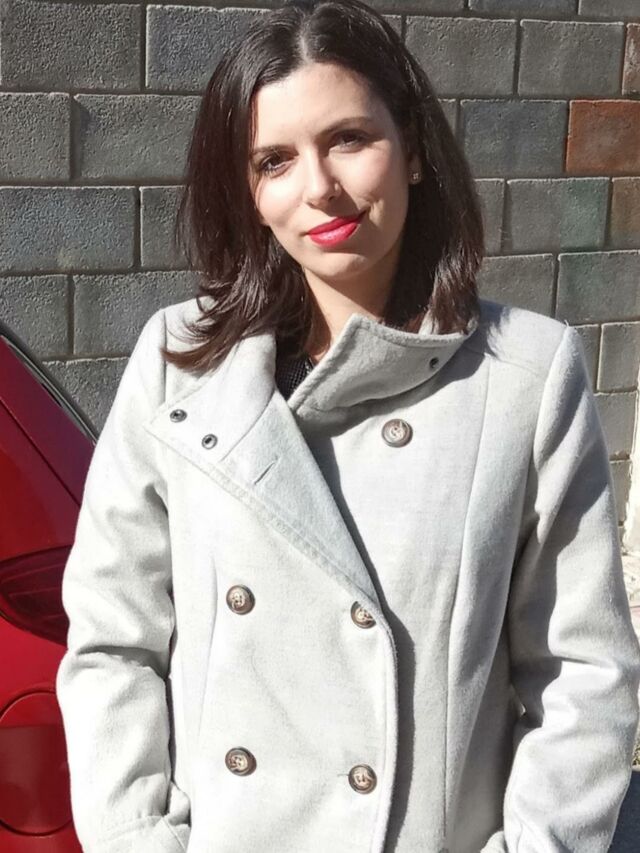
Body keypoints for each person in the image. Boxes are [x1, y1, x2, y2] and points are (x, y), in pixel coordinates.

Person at [55, 1, 640, 851]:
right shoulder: (179, 362)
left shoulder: (524, 376)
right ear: (250, 192)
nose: (318, 187)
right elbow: (113, 640)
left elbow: (582, 675)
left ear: (412, 149)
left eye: (349, 139)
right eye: (275, 160)